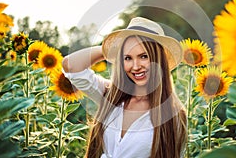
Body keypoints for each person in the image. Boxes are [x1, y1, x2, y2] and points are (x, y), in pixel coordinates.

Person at [62, 17, 187, 158]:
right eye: (128, 58)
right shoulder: (110, 96)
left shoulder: (173, 114)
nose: (135, 66)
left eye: (143, 56)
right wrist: (111, 50)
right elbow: (71, 65)